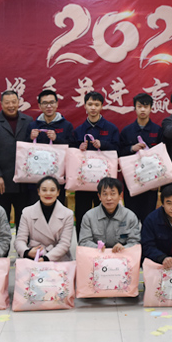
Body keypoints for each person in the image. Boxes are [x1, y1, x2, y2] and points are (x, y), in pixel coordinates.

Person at [73, 91, 120, 236]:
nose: (93, 107)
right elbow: (71, 154)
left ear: (101, 106)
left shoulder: (111, 128)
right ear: (85, 106)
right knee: (82, 213)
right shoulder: (79, 130)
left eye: (96, 104)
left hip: (105, 183)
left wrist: (103, 144)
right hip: (83, 183)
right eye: (90, 104)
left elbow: (118, 150)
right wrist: (79, 148)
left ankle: (106, 242)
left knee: (105, 214)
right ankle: (83, 243)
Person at [0, 90, 34, 230]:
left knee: (24, 221)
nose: (11, 105)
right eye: (7, 102)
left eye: (14, 102)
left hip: (23, 181)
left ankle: (23, 244)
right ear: (1, 104)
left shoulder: (28, 121)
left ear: (19, 102)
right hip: (2, 181)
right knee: (1, 220)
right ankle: (2, 244)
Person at [118, 93, 162, 222]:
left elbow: (163, 157)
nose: (143, 110)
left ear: (151, 108)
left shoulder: (157, 130)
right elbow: (119, 153)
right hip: (132, 181)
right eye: (139, 106)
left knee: (149, 217)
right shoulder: (127, 131)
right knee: (131, 217)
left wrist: (158, 182)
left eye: (146, 106)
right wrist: (132, 148)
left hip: (151, 181)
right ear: (135, 108)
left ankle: (147, 236)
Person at [27, 89, 75, 205]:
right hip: (35, 176)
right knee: (35, 207)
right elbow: (24, 151)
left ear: (57, 104)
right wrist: (30, 138)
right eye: (45, 103)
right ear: (39, 106)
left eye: (52, 102)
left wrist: (57, 139)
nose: (49, 106)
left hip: (57, 176)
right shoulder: (32, 125)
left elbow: (73, 149)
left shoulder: (66, 125)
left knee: (57, 208)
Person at [15, 176, 75, 261]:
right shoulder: (27, 212)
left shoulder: (68, 214)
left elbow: (64, 244)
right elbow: (20, 240)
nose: (48, 193)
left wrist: (46, 258)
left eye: (52, 190)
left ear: (58, 192)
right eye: (44, 190)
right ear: (38, 192)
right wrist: (27, 252)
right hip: (34, 256)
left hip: (58, 258)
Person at [79, 177, 141, 252]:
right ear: (99, 196)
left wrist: (123, 248)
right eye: (105, 194)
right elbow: (84, 242)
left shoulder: (130, 216)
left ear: (120, 195)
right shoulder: (89, 216)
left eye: (113, 194)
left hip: (122, 256)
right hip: (97, 255)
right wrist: (97, 247)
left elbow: (135, 242)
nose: (109, 198)